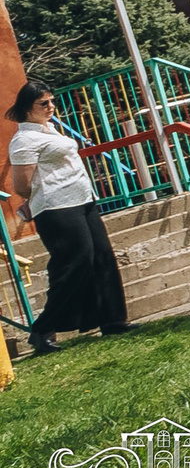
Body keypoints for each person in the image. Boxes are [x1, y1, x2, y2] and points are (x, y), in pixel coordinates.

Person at [8, 82, 128, 353]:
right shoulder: (24, 140)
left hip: (83, 200)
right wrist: (44, 193)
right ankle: (42, 331)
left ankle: (113, 320)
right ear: (28, 108)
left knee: (102, 257)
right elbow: (22, 186)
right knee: (76, 262)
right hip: (56, 207)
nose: (51, 107)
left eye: (52, 101)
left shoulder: (47, 130)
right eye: (44, 103)